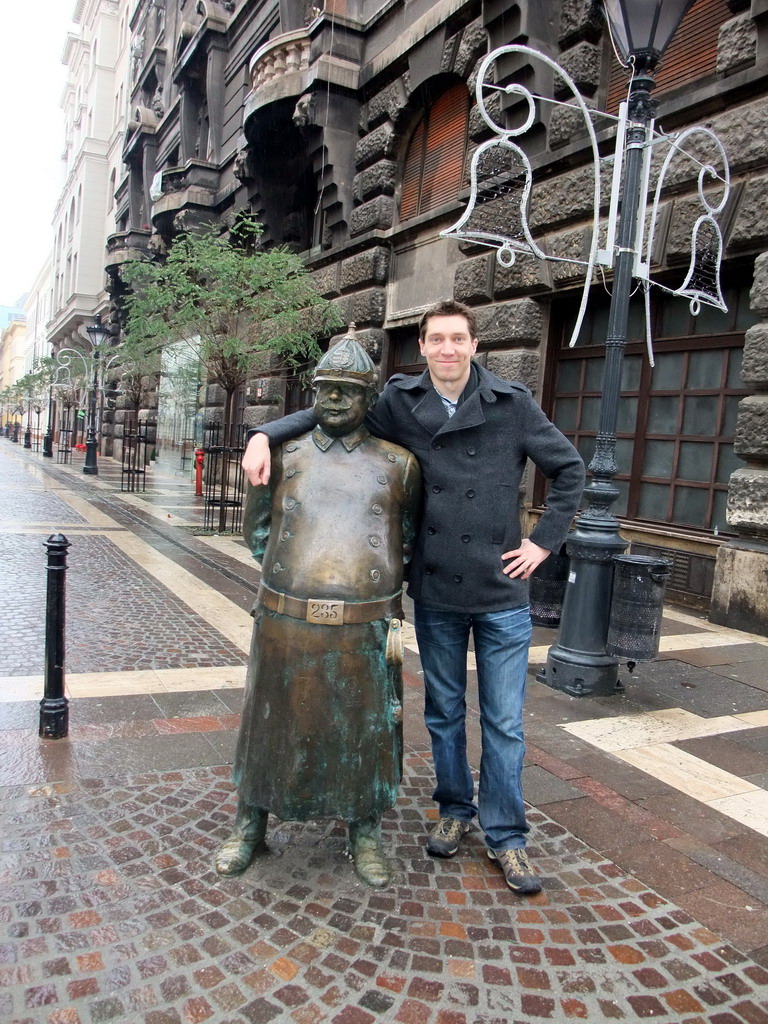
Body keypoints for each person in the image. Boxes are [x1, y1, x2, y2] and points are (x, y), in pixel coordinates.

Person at [242, 300, 584, 895]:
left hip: (501, 590)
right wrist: (263, 432)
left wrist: (543, 544)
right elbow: (330, 408)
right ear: (422, 347)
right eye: (436, 340)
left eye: (457, 339)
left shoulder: (515, 404)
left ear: (475, 345)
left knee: (503, 721)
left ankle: (507, 837)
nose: (447, 349)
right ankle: (455, 811)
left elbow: (571, 470)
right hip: (439, 589)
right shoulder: (400, 401)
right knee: (444, 714)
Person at [215, 333, 421, 887]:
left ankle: (364, 830)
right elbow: (258, 535)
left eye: (346, 391)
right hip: (286, 618)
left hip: (366, 625)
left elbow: (406, 540)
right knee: (269, 722)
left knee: (366, 728)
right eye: (325, 390)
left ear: (369, 397)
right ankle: (250, 823)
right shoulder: (284, 456)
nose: (334, 400)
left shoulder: (400, 465)